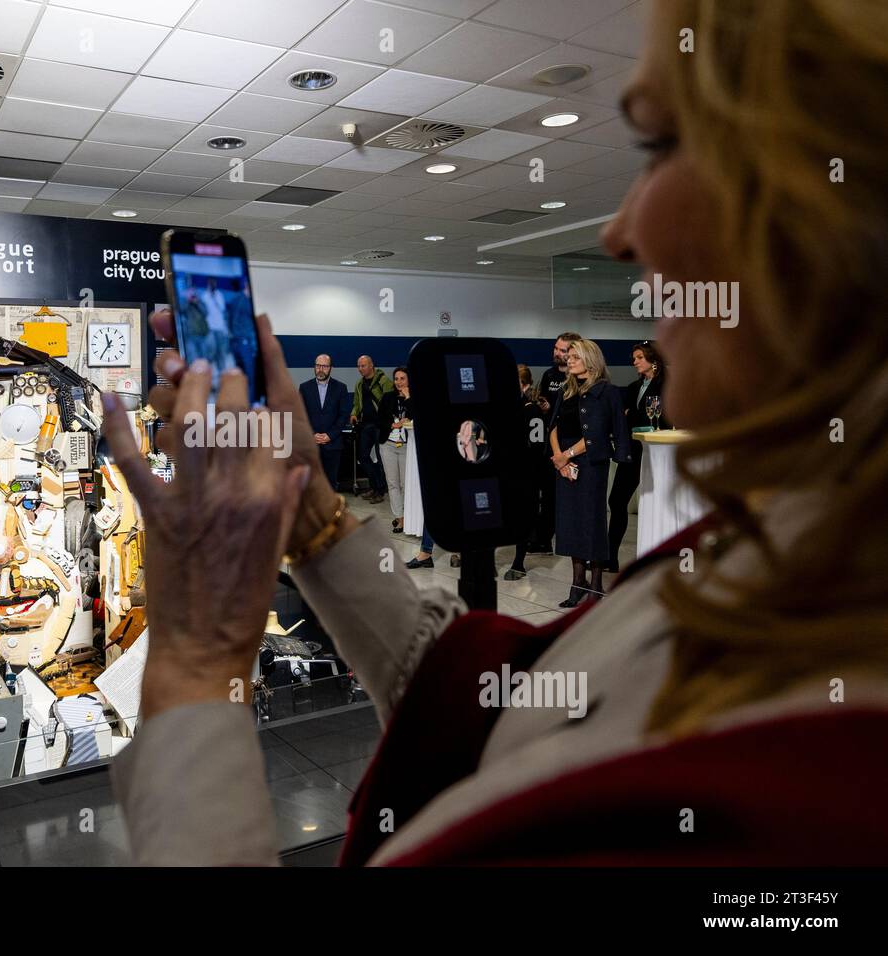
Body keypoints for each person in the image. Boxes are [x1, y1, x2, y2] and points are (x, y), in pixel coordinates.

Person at [104, 0, 888, 866]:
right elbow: (495, 701)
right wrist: (314, 518)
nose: (618, 232)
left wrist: (194, 651)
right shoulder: (788, 557)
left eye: (663, 147)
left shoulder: (807, 793)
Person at [549, 339, 631, 607]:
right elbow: (553, 427)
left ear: (590, 360)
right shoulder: (565, 391)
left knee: (592, 522)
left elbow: (598, 433)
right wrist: (559, 460)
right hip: (565, 464)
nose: (568, 360)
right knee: (570, 523)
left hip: (591, 463)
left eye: (574, 357)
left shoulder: (606, 391)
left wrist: (567, 455)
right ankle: (577, 582)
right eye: (568, 356)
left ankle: (595, 583)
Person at [606, 341, 670, 572]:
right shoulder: (634, 387)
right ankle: (610, 556)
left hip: (659, 451)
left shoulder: (667, 384)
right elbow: (628, 415)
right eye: (634, 358)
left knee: (659, 502)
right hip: (633, 450)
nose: (634, 362)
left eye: (639, 357)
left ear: (653, 360)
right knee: (616, 500)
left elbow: (666, 419)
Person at [532, 332, 582, 554]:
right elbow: (546, 407)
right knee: (547, 493)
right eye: (556, 348)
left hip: (571, 442)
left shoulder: (577, 379)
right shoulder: (548, 374)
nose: (558, 353)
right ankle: (543, 539)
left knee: (569, 498)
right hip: (549, 441)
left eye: (563, 350)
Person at [504, 365, 550, 580]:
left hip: (526, 472)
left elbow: (537, 445)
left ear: (525, 385)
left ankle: (519, 562)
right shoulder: (507, 408)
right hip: (509, 470)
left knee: (522, 516)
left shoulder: (531, 410)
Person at [297, 354, 350, 488]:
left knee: (330, 485)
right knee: (310, 485)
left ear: (331, 368)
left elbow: (343, 415)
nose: (320, 369)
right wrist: (312, 434)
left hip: (333, 445)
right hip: (311, 445)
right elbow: (301, 415)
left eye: (324, 366)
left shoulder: (341, 388)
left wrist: (329, 435)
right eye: (318, 365)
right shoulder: (304, 388)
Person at [349, 355, 391, 503]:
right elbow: (356, 403)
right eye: (359, 366)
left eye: (364, 365)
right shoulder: (359, 384)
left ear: (372, 365)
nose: (361, 369)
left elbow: (390, 402)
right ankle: (375, 486)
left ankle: (381, 490)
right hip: (366, 425)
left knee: (381, 459)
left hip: (380, 426)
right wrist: (354, 413)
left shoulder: (383, 381)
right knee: (363, 457)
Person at [376, 367, 411, 532]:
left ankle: (409, 516)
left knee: (405, 484)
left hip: (406, 447)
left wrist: (409, 397)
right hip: (388, 445)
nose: (398, 382)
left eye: (402, 378)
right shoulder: (387, 397)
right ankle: (400, 518)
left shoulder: (414, 399)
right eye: (396, 378)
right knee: (393, 484)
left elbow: (417, 414)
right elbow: (379, 420)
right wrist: (392, 424)